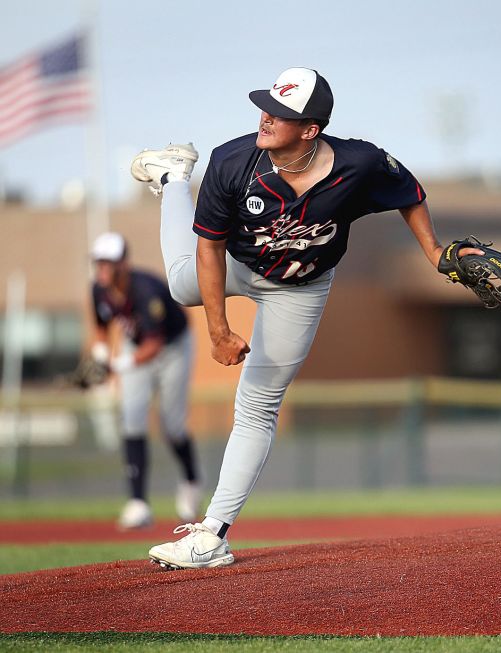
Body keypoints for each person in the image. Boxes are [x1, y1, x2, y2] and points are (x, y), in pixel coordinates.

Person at [131, 67, 480, 569]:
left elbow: (410, 192)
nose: (266, 117)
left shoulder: (359, 162)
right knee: (183, 283)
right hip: (237, 262)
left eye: (281, 113)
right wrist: (219, 330)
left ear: (310, 130)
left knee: (257, 405)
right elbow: (208, 250)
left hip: (302, 288)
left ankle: (211, 535)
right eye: (266, 105)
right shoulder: (233, 162)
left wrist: (435, 251)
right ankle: (173, 176)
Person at [88, 232, 202, 529]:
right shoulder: (98, 290)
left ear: (123, 263)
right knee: (132, 418)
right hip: (135, 345)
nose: (101, 269)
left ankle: (191, 481)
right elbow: (101, 326)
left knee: (172, 425)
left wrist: (117, 365)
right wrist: (101, 356)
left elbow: (155, 344)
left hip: (172, 348)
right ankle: (138, 503)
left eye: (107, 263)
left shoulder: (145, 290)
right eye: (98, 262)